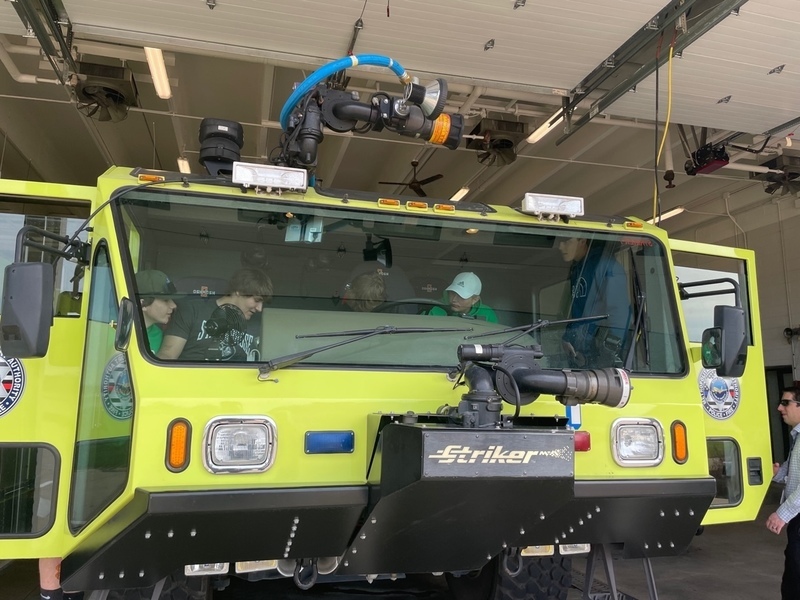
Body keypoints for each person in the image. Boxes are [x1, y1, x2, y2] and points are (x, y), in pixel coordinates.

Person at [158, 268, 272, 361]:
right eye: (257, 300)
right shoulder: (192, 310)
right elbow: (168, 356)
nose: (260, 308)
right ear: (239, 291)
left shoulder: (260, 324)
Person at [559, 237, 631, 367]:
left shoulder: (605, 266)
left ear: (582, 241)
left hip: (597, 356)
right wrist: (567, 339)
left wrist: (609, 354)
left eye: (566, 241)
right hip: (580, 354)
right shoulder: (576, 269)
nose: (561, 247)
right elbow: (577, 314)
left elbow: (618, 313)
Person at [768, 386, 800, 599]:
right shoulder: (797, 436)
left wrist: (782, 514)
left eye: (786, 402)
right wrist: (776, 473)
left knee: (795, 582)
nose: (780, 407)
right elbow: (793, 472)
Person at [135, 269, 177, 353]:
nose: (173, 305)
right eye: (165, 300)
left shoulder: (159, 335)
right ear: (143, 304)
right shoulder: (116, 334)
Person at [428, 272, 497, 322]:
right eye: (452, 293)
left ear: (475, 299)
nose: (454, 299)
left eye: (461, 296)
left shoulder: (487, 314)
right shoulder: (437, 309)